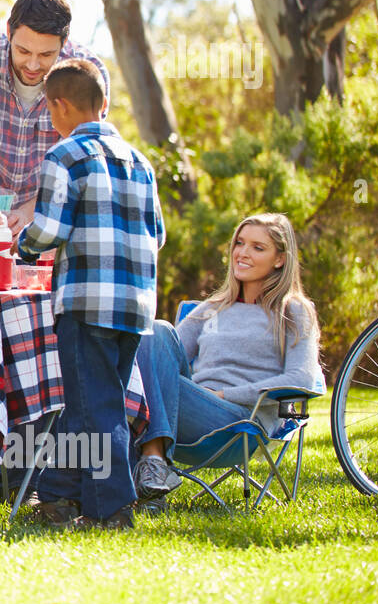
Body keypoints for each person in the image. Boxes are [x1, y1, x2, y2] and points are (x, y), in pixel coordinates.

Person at [0, 0, 112, 500]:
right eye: (24, 50)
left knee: (42, 338)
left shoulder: (86, 70)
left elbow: (92, 151)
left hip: (47, 217)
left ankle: (34, 472)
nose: (33, 65)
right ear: (8, 32)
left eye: (46, 55)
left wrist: (36, 210)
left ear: (65, 46)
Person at [15, 59, 164, 529]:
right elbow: (157, 234)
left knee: (98, 408)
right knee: (90, 402)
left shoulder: (64, 156)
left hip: (85, 303)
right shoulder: (140, 161)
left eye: (48, 110)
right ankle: (58, 495)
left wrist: (19, 245)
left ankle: (111, 510)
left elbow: (50, 229)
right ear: (103, 103)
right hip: (135, 304)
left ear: (59, 106)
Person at [130, 213, 321, 502]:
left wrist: (223, 393)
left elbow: (302, 378)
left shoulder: (293, 310)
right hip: (185, 415)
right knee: (154, 332)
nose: (243, 253)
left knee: (151, 343)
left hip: (239, 424)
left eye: (258, 247)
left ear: (280, 259)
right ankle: (151, 469)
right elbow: (160, 356)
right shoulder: (212, 309)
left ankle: (148, 467)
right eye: (239, 243)